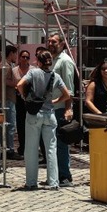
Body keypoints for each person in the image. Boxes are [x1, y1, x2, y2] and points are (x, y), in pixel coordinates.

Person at [15, 48, 70, 191]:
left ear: (39, 62)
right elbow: (67, 94)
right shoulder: (55, 76)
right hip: (50, 114)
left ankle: (31, 182)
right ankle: (53, 182)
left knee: (31, 149)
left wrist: (25, 97)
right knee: (51, 149)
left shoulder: (33, 73)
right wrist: (56, 101)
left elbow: (19, 85)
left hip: (34, 114)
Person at [46, 32, 77, 186]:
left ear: (62, 44)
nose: (50, 44)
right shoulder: (51, 60)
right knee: (52, 143)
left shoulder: (65, 61)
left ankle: (64, 175)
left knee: (61, 143)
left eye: (54, 42)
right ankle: (55, 175)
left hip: (60, 108)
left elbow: (69, 88)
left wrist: (68, 108)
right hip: (51, 107)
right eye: (49, 41)